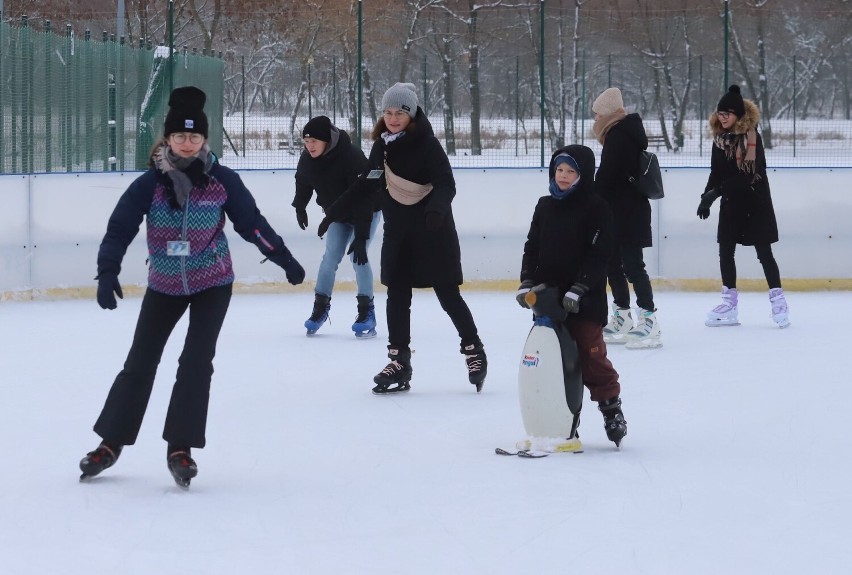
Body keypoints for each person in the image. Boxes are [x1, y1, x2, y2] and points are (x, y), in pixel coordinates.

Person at [79, 86, 305, 485]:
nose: (187, 143)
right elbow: (120, 228)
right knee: (140, 363)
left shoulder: (221, 181)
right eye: (180, 136)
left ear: (204, 140)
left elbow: (252, 224)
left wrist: (284, 258)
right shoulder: (150, 184)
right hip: (164, 283)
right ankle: (110, 443)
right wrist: (107, 270)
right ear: (167, 139)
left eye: (195, 136)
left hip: (211, 281)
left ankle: (179, 448)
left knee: (196, 362)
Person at [318, 82, 486, 394]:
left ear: (411, 114)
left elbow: (446, 183)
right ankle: (399, 360)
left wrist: (436, 209)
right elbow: (366, 183)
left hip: (432, 230)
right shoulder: (381, 146)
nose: (393, 118)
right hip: (398, 232)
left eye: (400, 112)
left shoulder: (427, 145)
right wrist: (333, 212)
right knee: (397, 294)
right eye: (388, 112)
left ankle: (473, 350)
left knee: (447, 294)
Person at [516, 145, 627, 447]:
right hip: (548, 298)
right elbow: (532, 246)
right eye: (559, 170)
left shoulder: (596, 207)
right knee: (552, 361)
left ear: (583, 175)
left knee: (590, 359)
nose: (563, 176)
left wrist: (580, 287)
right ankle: (563, 421)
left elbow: (599, 254)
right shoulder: (544, 205)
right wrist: (527, 282)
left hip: (584, 299)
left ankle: (611, 408)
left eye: (571, 172)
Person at [698, 85, 789, 328]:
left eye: (728, 113)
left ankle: (778, 301)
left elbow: (747, 175)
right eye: (720, 113)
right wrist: (705, 197)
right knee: (725, 252)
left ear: (739, 115)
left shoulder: (752, 138)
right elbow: (716, 173)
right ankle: (729, 305)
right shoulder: (719, 140)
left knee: (764, 253)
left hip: (755, 202)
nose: (723, 117)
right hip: (731, 204)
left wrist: (716, 193)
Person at [292, 115, 380, 337]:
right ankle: (320, 308)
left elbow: (365, 198)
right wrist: (300, 206)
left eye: (314, 141)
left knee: (357, 257)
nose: (309, 146)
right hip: (337, 214)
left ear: (326, 141)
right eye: (306, 141)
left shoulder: (352, 157)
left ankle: (366, 311)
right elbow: (303, 180)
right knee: (330, 257)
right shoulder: (307, 158)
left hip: (367, 210)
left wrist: (360, 237)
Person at [592, 87, 662, 349]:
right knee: (614, 265)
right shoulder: (618, 134)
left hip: (628, 213)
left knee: (632, 266)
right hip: (618, 211)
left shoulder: (619, 137)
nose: (595, 120)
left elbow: (607, 177)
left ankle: (649, 318)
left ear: (609, 114)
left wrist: (587, 194)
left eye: (597, 114)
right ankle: (622, 316)